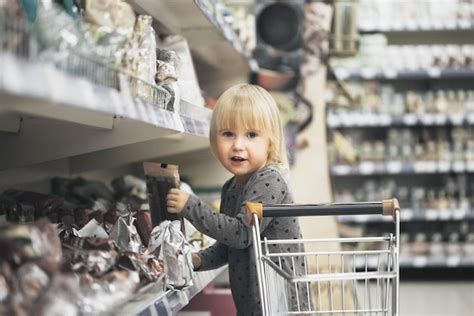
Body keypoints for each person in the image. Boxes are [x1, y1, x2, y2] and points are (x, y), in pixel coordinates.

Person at [166, 83, 309, 315]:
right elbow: (228, 247)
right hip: (252, 304)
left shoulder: (269, 180)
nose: (238, 145)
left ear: (270, 141)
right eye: (228, 134)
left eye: (251, 135)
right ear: (214, 140)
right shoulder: (231, 187)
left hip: (281, 304)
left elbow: (241, 234)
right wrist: (195, 260)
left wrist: (190, 206)